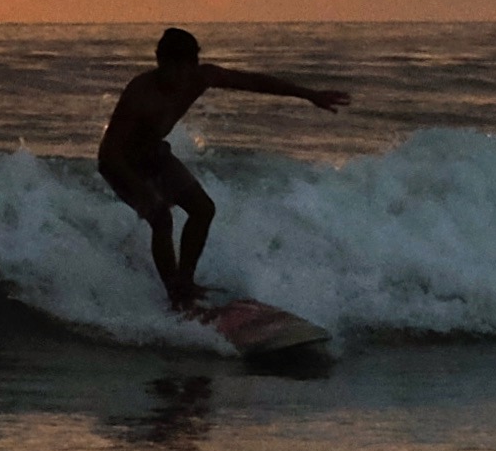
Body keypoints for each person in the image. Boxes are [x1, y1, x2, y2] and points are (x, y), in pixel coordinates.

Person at [98, 27, 348, 310]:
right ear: (159, 61)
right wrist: (141, 189)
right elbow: (109, 153)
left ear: (194, 64)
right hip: (120, 164)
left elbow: (253, 82)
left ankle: (185, 281)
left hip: (155, 153)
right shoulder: (140, 93)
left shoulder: (201, 77)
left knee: (203, 209)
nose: (179, 78)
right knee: (161, 217)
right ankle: (176, 298)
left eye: (185, 68)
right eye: (172, 69)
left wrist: (308, 94)